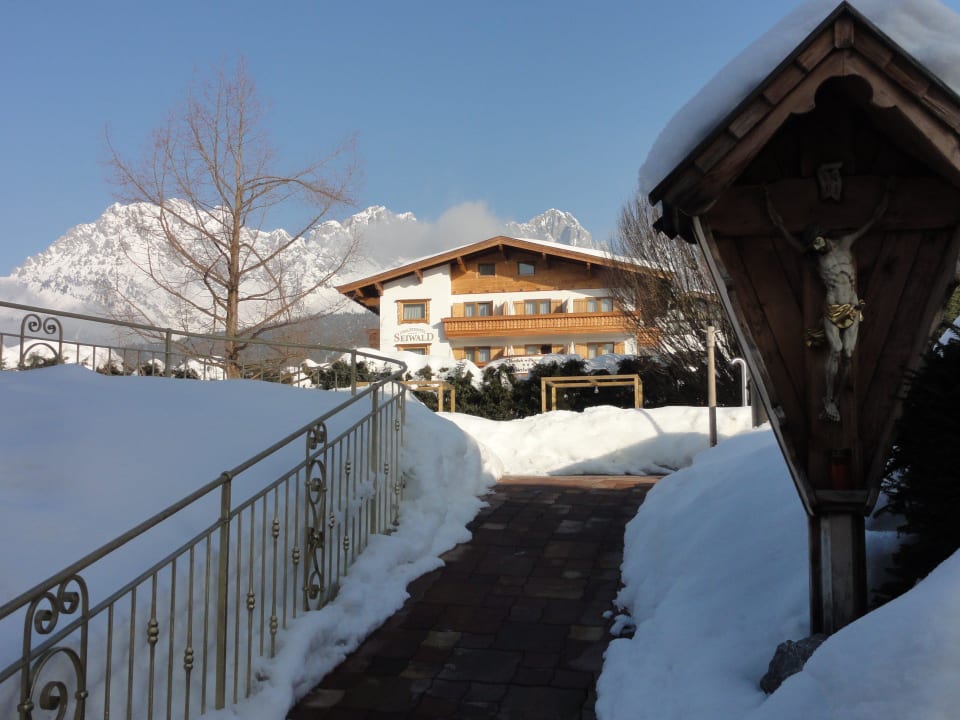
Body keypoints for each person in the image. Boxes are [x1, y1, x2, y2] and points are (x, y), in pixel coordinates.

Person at [764, 180, 891, 422]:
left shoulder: (845, 243)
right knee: (836, 349)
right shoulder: (813, 255)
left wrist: (884, 202)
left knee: (849, 354)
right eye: (812, 246)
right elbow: (784, 233)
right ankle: (829, 397)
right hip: (833, 306)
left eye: (817, 242)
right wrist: (772, 211)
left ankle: (837, 397)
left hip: (852, 305)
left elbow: (870, 224)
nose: (816, 247)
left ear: (822, 236)